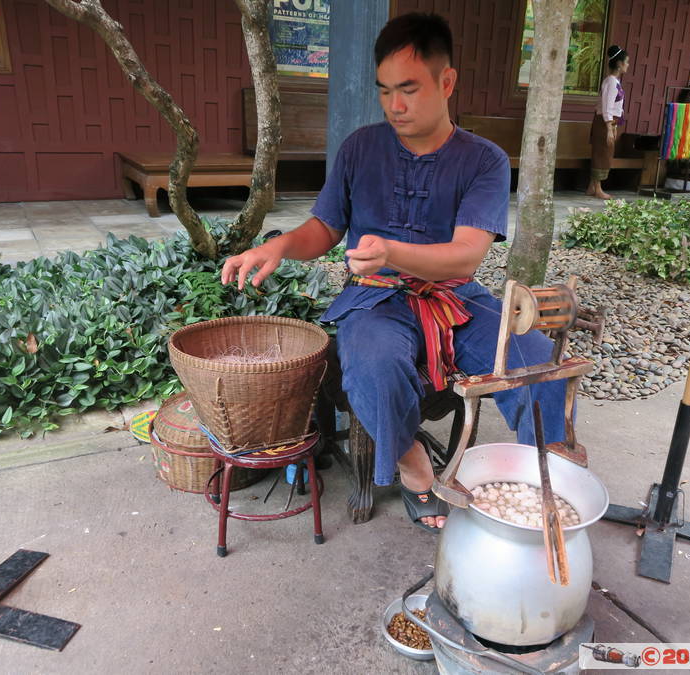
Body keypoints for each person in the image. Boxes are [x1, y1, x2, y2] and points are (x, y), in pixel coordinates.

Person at [221, 12, 568, 533]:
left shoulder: (485, 160)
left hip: (458, 297)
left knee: (537, 359)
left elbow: (466, 255)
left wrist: (392, 251)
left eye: (409, 89)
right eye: (385, 91)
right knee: (374, 366)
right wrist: (282, 245)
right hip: (375, 301)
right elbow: (326, 227)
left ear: (446, 82)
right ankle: (414, 470)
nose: (395, 106)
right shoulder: (360, 148)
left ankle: (544, 479)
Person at [587, 45, 630, 200]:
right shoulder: (611, 82)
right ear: (619, 64)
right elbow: (607, 106)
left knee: (605, 152)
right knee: (601, 153)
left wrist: (614, 126)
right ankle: (598, 188)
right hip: (604, 122)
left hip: (609, 122)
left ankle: (591, 186)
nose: (627, 65)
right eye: (626, 62)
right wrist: (609, 127)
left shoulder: (614, 82)